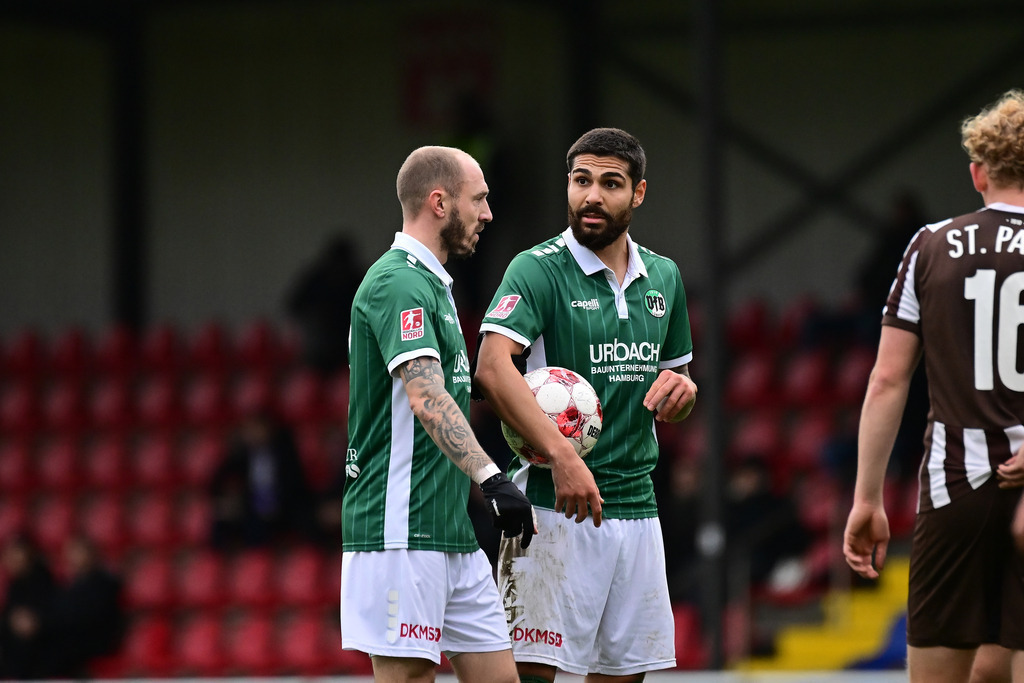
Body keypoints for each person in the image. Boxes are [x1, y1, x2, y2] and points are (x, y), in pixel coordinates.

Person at [474, 127, 698, 682]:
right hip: (552, 507)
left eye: (610, 183)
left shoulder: (664, 277)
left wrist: (684, 395)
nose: (591, 195)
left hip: (637, 509)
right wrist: (563, 456)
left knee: (623, 678)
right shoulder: (537, 269)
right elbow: (491, 367)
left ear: (638, 194)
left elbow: (677, 381)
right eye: (580, 181)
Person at [843, 89, 1024, 682]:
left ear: (977, 173)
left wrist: (867, 500)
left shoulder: (930, 244)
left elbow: (889, 379)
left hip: (955, 486)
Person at [340, 145, 536, 683]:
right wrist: (492, 477)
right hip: (399, 531)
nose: (489, 214)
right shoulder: (398, 282)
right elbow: (426, 398)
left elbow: (455, 392)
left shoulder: (435, 284)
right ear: (439, 202)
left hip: (450, 534)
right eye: (479, 199)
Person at [209, 408, 316, 549]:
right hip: (252, 509)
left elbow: (295, 484)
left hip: (284, 507)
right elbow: (217, 479)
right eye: (247, 430)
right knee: (223, 522)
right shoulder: (242, 455)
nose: (251, 434)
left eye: (255, 428)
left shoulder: (285, 452)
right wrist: (226, 501)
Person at [45, 536, 124, 678]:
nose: (72, 557)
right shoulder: (69, 584)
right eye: (69, 553)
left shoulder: (105, 582)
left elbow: (93, 616)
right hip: (71, 635)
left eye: (77, 552)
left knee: (53, 648)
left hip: (96, 638)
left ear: (91, 553)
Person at [0, 535, 56, 680]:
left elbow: (49, 615)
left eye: (17, 557)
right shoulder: (16, 584)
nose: (12, 562)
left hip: (41, 647)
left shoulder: (43, 579)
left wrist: (32, 621)